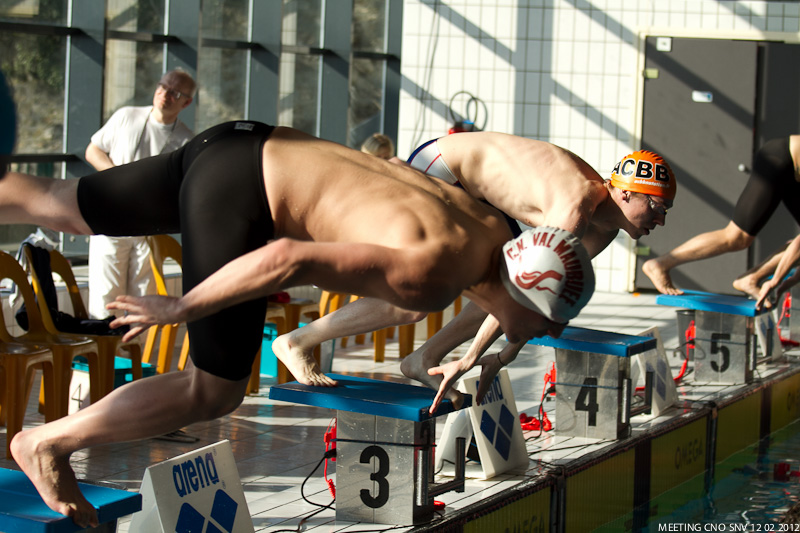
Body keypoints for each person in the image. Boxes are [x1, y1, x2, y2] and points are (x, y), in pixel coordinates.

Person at [2, 121, 595, 527]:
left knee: (63, 203)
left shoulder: (491, 232)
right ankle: (45, 443)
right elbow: (288, 259)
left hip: (242, 142)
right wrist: (184, 306)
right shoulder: (433, 276)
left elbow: (395, 171)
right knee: (214, 391)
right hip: (242, 197)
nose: (552, 333)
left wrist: (483, 352)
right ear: (524, 290)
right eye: (552, 319)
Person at [270, 136, 677, 411]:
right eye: (657, 208)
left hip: (484, 199)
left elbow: (543, 296)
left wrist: (501, 356)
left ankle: (423, 358)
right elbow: (523, 292)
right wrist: (472, 358)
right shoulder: (575, 206)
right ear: (626, 192)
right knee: (417, 295)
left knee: (492, 284)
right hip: (445, 169)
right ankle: (297, 340)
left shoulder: (603, 229)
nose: (660, 221)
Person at [85, 69, 195, 320]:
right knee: (104, 301)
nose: (165, 94)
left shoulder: (186, 141)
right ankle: (104, 344)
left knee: (142, 301)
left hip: (148, 228)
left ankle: (135, 347)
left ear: (186, 102)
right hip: (110, 220)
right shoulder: (127, 116)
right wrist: (118, 180)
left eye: (174, 92)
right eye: (163, 86)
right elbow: (93, 151)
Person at [642, 136, 800, 298]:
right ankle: (660, 264)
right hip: (780, 158)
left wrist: (791, 278)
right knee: (737, 237)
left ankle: (750, 279)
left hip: (792, 167)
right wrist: (776, 281)